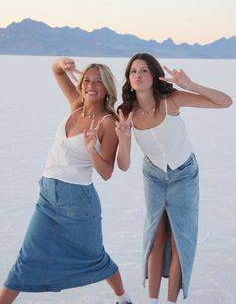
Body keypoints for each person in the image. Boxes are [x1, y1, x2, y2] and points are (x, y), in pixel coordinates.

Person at [0, 57, 132, 304]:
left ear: (106, 89)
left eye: (98, 82)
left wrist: (92, 148)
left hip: (78, 201)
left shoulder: (108, 122)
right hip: (47, 195)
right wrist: (62, 63)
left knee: (95, 256)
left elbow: (106, 172)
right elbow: (57, 71)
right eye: (87, 80)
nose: (90, 86)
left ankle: (124, 299)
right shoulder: (76, 106)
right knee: (27, 257)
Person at [115, 53, 233, 304]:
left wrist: (191, 86)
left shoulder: (172, 100)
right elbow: (123, 165)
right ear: (128, 78)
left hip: (184, 175)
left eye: (144, 70)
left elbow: (226, 102)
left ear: (154, 74)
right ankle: (152, 300)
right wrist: (124, 139)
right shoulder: (126, 112)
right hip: (153, 176)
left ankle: (170, 302)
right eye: (133, 71)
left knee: (179, 237)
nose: (138, 75)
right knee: (155, 237)